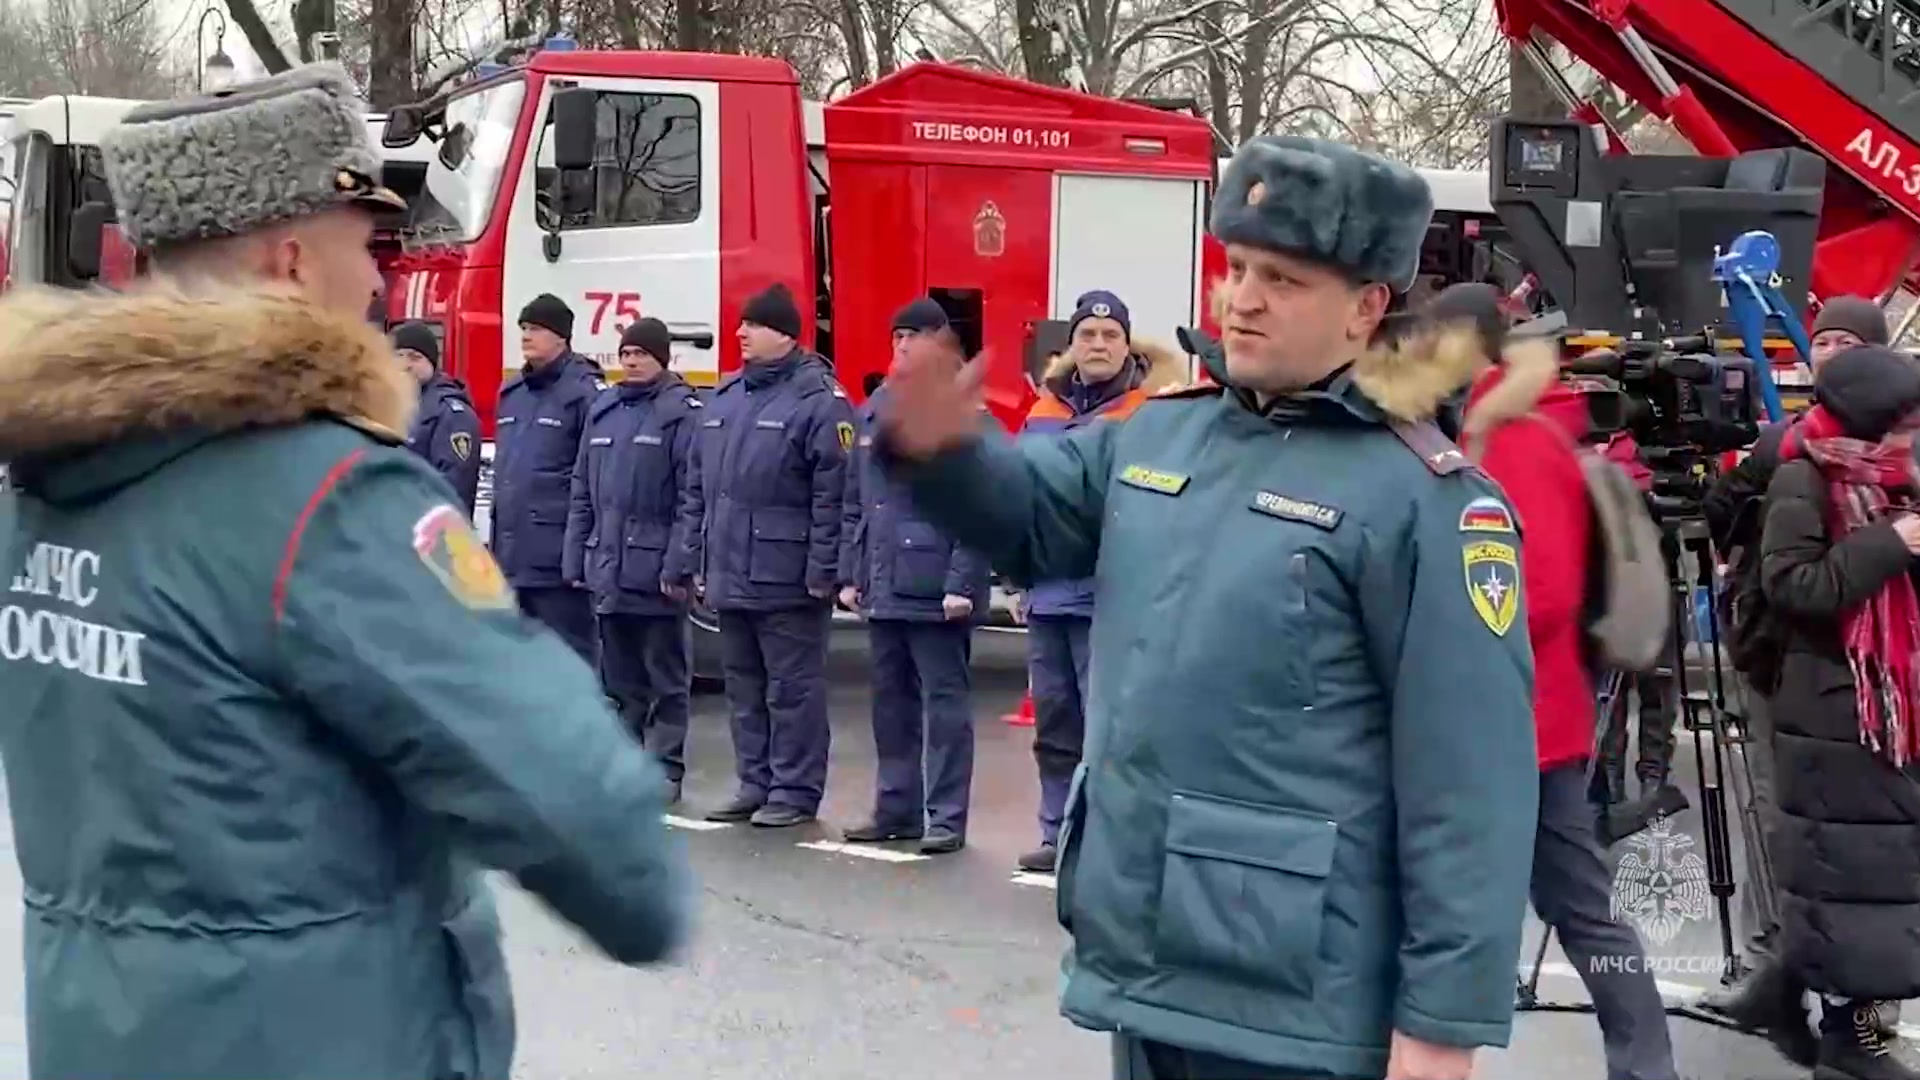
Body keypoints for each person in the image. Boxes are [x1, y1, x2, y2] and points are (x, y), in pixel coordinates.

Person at [0, 63, 686, 1080]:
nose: (378, 283)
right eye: (365, 246)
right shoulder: (329, 498)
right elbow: (579, 812)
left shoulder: (44, 480)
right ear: (287, 261)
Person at [876, 135, 1539, 1080]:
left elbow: (1470, 788)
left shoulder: (1429, 502)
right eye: (1237, 269)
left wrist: (1441, 1029)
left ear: (1367, 308)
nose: (1245, 298)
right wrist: (944, 451)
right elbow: (1032, 515)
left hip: (1296, 1010)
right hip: (1145, 965)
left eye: (1284, 277)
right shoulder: (1163, 434)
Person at [1435, 284, 1681, 1080]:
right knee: (1581, 905)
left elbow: (1531, 590)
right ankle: (1644, 1063)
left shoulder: (1507, 431)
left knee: (1569, 907)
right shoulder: (1517, 421)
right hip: (1537, 715)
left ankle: (1644, 1063)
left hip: (1519, 719)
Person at [1699, 295, 1898, 1053]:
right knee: (1779, 817)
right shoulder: (1785, 450)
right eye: (1826, 340)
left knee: (1872, 848)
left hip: (1880, 681)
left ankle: (1860, 1018)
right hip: (1785, 665)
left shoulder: (1899, 455)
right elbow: (1746, 541)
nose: (1835, 353)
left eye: (1852, 340)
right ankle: (1777, 971)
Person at [1754, 343, 1920, 1080]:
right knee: (1859, 874)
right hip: (1832, 704)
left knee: (1865, 875)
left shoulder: (1894, 477)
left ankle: (1789, 994)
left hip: (1885, 699)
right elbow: (1794, 586)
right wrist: (1892, 543)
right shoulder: (1804, 475)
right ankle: (1853, 1044)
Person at [670, 283, 854, 828]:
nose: (740, 332)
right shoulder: (725, 397)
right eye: (742, 324)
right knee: (744, 688)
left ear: (786, 333)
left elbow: (834, 495)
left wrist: (825, 570)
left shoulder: (818, 401)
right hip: (731, 571)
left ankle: (795, 791)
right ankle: (756, 782)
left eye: (754, 325)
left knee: (792, 690)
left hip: (788, 575)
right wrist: (696, 559)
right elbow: (698, 488)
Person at [837, 298, 991, 855]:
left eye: (914, 337)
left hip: (934, 586)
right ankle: (896, 807)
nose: (902, 346)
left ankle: (946, 817)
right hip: (883, 583)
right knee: (891, 704)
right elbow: (860, 500)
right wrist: (851, 573)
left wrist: (962, 581)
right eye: (897, 336)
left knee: (945, 708)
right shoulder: (876, 406)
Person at [1013, 289, 1152, 876]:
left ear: (1127, 344)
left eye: (1110, 335)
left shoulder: (1149, 413)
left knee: (1110, 730)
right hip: (1049, 598)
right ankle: (1057, 834)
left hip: (1111, 600)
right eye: (1087, 336)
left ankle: (1106, 840)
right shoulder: (1041, 415)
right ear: (1070, 345)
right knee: (1056, 726)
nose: (1098, 345)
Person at [564, 317, 702, 805]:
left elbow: (692, 496)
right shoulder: (605, 410)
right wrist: (577, 556)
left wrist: (678, 564)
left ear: (661, 358)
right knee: (618, 682)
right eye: (626, 354)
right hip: (609, 569)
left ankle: (665, 768)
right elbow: (582, 490)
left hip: (656, 574)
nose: (631, 361)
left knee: (666, 679)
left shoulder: (681, 413)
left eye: (641, 354)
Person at [493, 292, 605, 661]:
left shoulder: (584, 393)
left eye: (536, 328)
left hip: (558, 559)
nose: (525, 335)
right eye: (523, 327)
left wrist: (581, 554)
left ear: (562, 337)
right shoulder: (512, 393)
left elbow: (593, 479)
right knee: (520, 660)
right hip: (512, 556)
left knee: (570, 657)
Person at [391, 319, 481, 515]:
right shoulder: (390, 407)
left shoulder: (451, 414)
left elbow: (453, 489)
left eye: (415, 357)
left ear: (432, 363)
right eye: (399, 356)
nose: (406, 365)